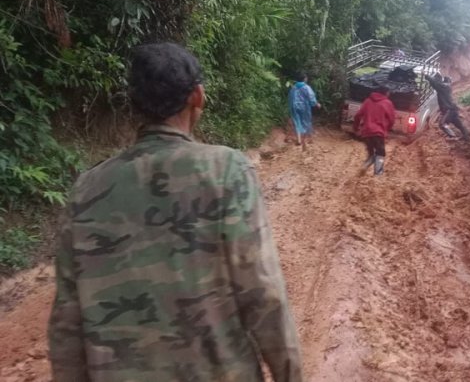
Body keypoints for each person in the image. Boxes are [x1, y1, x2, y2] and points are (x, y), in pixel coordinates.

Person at [48, 43, 303, 382]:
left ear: (134, 104)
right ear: (198, 96)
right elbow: (262, 292)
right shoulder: (226, 170)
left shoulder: (86, 188)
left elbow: (66, 322)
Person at [353, 86, 395, 176]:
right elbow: (392, 120)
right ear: (386, 93)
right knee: (380, 153)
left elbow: (357, 115)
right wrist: (387, 129)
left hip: (366, 132)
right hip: (378, 133)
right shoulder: (387, 103)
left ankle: (365, 165)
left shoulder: (368, 101)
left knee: (371, 154)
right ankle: (378, 174)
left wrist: (356, 128)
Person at [425, 72, 470, 140]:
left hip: (448, 110)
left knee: (442, 124)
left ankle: (453, 136)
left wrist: (427, 76)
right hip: (452, 109)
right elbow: (436, 85)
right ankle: (466, 136)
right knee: (458, 123)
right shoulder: (447, 87)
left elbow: (436, 84)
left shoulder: (444, 87)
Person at [288, 73, 320, 151]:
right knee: (306, 122)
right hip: (304, 107)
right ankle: (306, 140)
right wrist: (316, 104)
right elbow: (311, 97)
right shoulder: (306, 87)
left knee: (297, 122)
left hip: (294, 107)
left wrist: (291, 107)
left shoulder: (293, 88)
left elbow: (290, 98)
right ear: (304, 79)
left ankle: (299, 140)